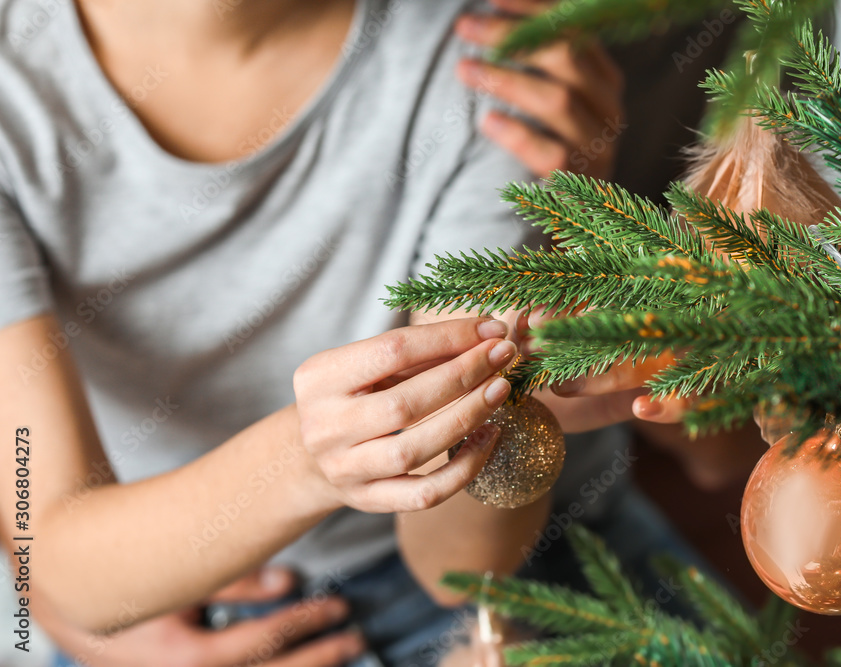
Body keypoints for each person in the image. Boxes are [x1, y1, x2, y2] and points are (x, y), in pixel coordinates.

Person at [0, 0, 755, 665]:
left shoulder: (497, 74)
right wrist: (309, 457)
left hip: (525, 555)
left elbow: (460, 564)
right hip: (165, 587)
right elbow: (53, 544)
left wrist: (505, 399)